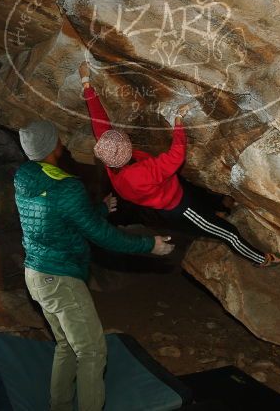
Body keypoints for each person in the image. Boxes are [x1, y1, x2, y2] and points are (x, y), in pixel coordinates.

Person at [15, 120, 173, 411]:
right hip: (61, 279)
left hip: (35, 275)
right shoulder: (67, 187)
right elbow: (102, 236)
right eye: (58, 138)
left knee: (67, 346)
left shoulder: (25, 177)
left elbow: (58, 219)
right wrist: (150, 245)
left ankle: (59, 406)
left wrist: (100, 208)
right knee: (92, 351)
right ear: (53, 145)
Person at [79, 61, 280, 268]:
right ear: (125, 151)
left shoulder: (111, 157)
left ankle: (217, 212)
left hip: (172, 191)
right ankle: (260, 259)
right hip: (180, 207)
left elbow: (99, 123)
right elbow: (175, 157)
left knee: (203, 199)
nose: (125, 137)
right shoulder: (137, 174)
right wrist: (178, 122)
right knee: (228, 233)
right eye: (125, 140)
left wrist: (86, 83)